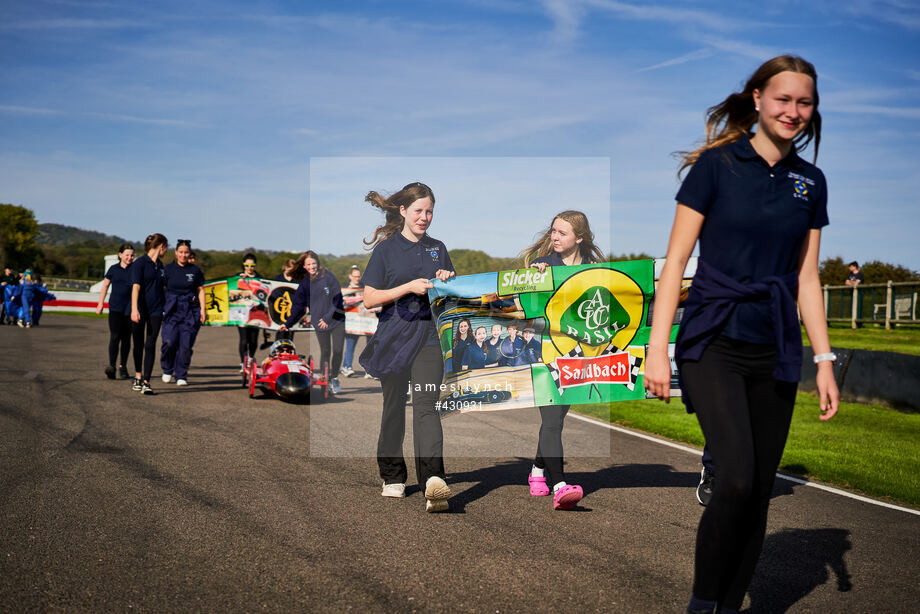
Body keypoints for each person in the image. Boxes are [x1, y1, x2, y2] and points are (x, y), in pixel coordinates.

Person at [643, 56, 840, 614]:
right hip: (713, 340)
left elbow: (807, 277)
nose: (794, 111)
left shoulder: (811, 182)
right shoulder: (716, 166)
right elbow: (677, 260)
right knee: (733, 480)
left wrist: (823, 360)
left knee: (756, 494)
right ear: (757, 98)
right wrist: (658, 350)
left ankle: (729, 608)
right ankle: (703, 605)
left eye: (804, 102)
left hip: (775, 346)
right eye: (783, 99)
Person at [358, 181, 455, 512]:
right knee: (394, 407)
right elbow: (370, 298)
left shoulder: (438, 248)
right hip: (394, 338)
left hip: (429, 337)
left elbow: (448, 290)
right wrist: (406, 287)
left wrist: (446, 277)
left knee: (427, 407)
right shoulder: (386, 250)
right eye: (419, 211)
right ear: (402, 211)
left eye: (430, 212)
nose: (425, 217)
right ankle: (393, 476)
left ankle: (433, 481)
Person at [521, 210, 605, 510]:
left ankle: (537, 470)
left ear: (579, 238)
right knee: (553, 419)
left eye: (562, 233)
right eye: (553, 231)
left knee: (557, 418)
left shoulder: (595, 269)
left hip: (580, 356)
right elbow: (527, 307)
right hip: (546, 353)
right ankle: (559, 485)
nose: (555, 237)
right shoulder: (542, 266)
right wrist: (535, 278)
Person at [160, 239, 206, 386]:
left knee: (185, 346)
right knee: (169, 342)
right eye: (181, 252)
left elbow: (201, 290)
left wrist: (203, 311)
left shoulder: (195, 271)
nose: (183, 255)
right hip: (172, 309)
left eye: (186, 253)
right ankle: (167, 369)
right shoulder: (167, 270)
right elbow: (161, 290)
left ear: (189, 254)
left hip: (190, 310)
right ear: (176, 253)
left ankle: (181, 375)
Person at [299, 251, 346, 394]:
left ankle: (335, 377)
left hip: (336, 318)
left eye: (313, 263)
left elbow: (337, 299)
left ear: (317, 263)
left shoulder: (328, 276)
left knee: (337, 351)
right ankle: (325, 381)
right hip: (318, 321)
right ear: (304, 266)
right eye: (308, 264)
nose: (312, 266)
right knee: (325, 351)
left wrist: (327, 318)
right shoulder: (304, 282)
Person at [131, 233, 168, 395]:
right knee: (138, 344)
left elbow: (164, 288)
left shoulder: (161, 266)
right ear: (161, 246)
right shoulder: (140, 263)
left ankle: (146, 381)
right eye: (166, 248)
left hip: (156, 310)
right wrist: (134, 309)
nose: (166, 251)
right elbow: (135, 287)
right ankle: (138, 375)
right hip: (140, 309)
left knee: (150, 344)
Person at [96, 243, 135, 379]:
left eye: (132, 255)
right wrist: (100, 303)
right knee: (115, 336)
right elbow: (105, 286)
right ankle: (111, 366)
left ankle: (122, 367)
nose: (130, 258)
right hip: (115, 308)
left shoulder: (135, 269)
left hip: (130, 309)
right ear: (120, 255)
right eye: (127, 255)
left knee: (126, 339)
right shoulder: (113, 269)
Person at [237, 253, 262, 372]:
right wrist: (240, 280)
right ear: (243, 265)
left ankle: (251, 358)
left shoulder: (260, 278)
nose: (249, 268)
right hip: (241, 313)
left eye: (252, 265)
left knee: (253, 339)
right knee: (243, 339)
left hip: (256, 313)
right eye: (247, 265)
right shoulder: (238, 277)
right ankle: (243, 362)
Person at [340, 265, 364, 377]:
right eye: (355, 276)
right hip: (351, 322)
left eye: (359, 276)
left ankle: (370, 370)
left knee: (370, 345)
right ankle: (347, 366)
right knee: (350, 345)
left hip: (365, 322)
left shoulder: (364, 288)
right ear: (350, 276)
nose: (357, 279)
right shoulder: (345, 289)